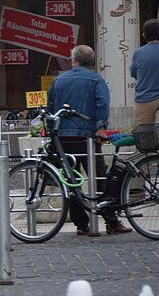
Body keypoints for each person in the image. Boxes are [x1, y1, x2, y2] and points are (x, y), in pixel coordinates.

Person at [47, 45, 131, 235]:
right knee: (100, 177)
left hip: (64, 137)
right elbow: (102, 103)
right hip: (87, 136)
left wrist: (52, 131)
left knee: (72, 180)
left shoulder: (59, 80)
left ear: (73, 60)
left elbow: (50, 106)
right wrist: (101, 126)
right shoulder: (96, 79)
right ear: (92, 62)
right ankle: (111, 221)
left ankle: (81, 225)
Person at [130, 18, 159, 127]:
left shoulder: (138, 53)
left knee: (145, 135)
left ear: (144, 35)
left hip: (144, 99)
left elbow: (133, 73)